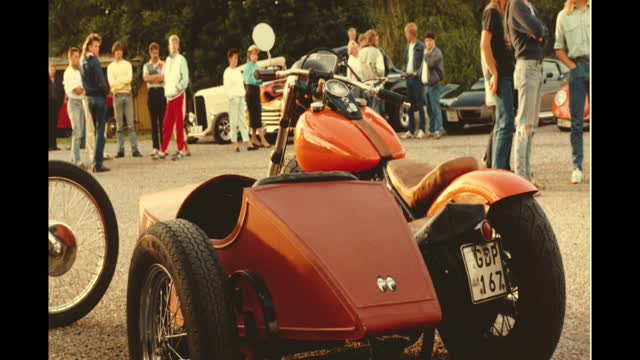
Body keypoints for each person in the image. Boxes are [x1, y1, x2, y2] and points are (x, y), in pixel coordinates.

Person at [506, 0, 548, 189]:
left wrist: (539, 33)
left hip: (536, 67)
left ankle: (527, 176)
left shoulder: (528, 5)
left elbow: (543, 30)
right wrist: (537, 33)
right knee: (524, 124)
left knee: (531, 126)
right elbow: (537, 28)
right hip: (527, 66)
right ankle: (521, 179)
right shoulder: (517, 5)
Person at [554, 0, 589, 184]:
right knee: (576, 122)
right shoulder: (563, 16)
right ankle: (577, 167)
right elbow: (558, 48)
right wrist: (572, 67)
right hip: (577, 69)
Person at [481, 0, 516, 169]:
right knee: (505, 122)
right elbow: (484, 45)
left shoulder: (503, 13)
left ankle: (500, 168)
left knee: (503, 122)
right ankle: (498, 170)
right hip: (501, 75)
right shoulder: (492, 12)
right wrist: (494, 73)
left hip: (508, 73)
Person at [152, 34, 189, 160]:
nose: (173, 46)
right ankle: (163, 150)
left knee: (179, 123)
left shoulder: (181, 60)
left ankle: (180, 149)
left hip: (178, 95)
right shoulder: (167, 60)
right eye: (171, 44)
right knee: (167, 123)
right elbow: (166, 78)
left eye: (175, 44)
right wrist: (167, 92)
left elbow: (185, 78)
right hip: (170, 97)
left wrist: (178, 88)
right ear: (168, 46)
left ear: (178, 45)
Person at [81, 33, 110, 172]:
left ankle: (95, 161)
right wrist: (105, 93)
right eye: (96, 46)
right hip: (98, 98)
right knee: (100, 132)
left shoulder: (82, 61)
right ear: (90, 46)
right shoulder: (94, 61)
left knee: (95, 130)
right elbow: (101, 83)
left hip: (89, 99)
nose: (98, 49)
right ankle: (97, 163)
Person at [107, 41, 141, 158]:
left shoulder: (127, 64)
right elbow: (111, 83)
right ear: (114, 53)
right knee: (119, 125)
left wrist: (119, 81)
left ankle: (134, 149)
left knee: (131, 124)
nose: (119, 53)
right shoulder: (110, 67)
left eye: (120, 51)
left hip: (127, 95)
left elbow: (129, 79)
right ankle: (120, 150)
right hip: (117, 96)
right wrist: (121, 82)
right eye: (117, 51)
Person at [224, 48, 257, 152]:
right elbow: (227, 87)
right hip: (233, 98)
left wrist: (243, 96)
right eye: (234, 58)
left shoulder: (238, 71)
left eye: (237, 58)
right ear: (230, 59)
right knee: (233, 121)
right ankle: (235, 142)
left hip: (241, 97)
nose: (236, 60)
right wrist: (231, 97)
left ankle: (247, 142)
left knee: (243, 121)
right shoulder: (227, 72)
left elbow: (241, 84)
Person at [400, 22, 426, 139]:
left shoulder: (421, 46)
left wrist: (418, 72)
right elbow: (405, 62)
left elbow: (424, 63)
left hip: (417, 79)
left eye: (406, 33)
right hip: (408, 78)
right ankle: (410, 130)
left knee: (420, 104)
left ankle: (422, 129)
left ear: (411, 33)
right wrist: (404, 71)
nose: (405, 35)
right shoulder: (407, 47)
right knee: (409, 105)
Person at [243, 45, 271, 148]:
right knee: (256, 116)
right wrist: (258, 80)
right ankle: (263, 140)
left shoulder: (256, 66)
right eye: (254, 54)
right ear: (249, 55)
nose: (256, 56)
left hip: (256, 90)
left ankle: (254, 138)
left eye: (257, 54)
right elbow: (248, 80)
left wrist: (261, 79)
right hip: (250, 91)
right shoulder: (247, 67)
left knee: (256, 114)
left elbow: (260, 78)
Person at [63, 47, 85, 166]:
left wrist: (82, 89)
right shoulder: (68, 73)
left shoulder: (78, 71)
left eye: (78, 57)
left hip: (81, 102)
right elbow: (77, 90)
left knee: (80, 132)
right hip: (73, 103)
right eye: (76, 57)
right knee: (76, 131)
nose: (78, 59)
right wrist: (81, 89)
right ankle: (76, 159)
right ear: (70, 58)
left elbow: (84, 87)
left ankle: (72, 158)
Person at [143, 42, 165, 157]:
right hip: (151, 94)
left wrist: (153, 78)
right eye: (153, 53)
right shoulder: (146, 66)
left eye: (157, 52)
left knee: (162, 122)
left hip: (161, 93)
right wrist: (156, 77)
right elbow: (146, 78)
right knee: (153, 122)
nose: (155, 55)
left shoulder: (163, 64)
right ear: (150, 53)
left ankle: (163, 147)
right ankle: (155, 147)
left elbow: (163, 78)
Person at [422, 33, 446, 139]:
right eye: (426, 41)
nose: (428, 43)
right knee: (429, 109)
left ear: (434, 41)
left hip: (434, 84)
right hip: (426, 84)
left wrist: (426, 55)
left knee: (435, 108)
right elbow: (423, 67)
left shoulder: (437, 52)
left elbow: (431, 64)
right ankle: (431, 129)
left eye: (430, 40)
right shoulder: (426, 52)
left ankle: (439, 129)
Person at [358, 30, 385, 113]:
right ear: (373, 40)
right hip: (375, 86)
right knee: (375, 113)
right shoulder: (377, 52)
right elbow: (381, 70)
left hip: (364, 86)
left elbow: (358, 70)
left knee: (366, 111)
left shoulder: (360, 52)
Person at [49, 62, 64, 151]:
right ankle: (49, 146)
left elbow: (62, 92)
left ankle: (54, 145)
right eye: (51, 69)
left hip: (56, 105)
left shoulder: (58, 79)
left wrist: (60, 102)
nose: (52, 70)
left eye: (54, 69)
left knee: (54, 125)